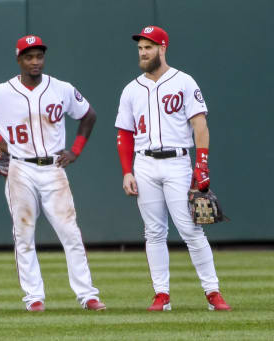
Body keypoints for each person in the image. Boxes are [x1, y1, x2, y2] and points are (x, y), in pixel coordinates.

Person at [0, 35, 106, 312]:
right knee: (23, 234)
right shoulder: (1, 92)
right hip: (20, 168)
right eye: (29, 56)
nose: (35, 61)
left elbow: (89, 115)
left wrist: (75, 150)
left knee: (70, 233)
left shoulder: (61, 89)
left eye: (39, 56)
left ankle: (88, 295)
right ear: (19, 60)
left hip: (53, 168)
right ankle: (34, 297)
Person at [115, 26, 231, 311]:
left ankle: (213, 293)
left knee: (191, 230)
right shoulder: (131, 89)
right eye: (140, 48)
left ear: (162, 48)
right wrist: (126, 171)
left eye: (149, 47)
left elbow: (199, 125)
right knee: (153, 232)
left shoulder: (184, 81)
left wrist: (201, 164)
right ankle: (162, 295)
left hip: (178, 161)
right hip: (144, 163)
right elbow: (124, 134)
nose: (143, 52)